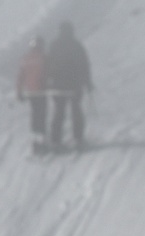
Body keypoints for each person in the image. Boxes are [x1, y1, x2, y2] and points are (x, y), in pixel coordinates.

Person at [45, 20, 92, 150]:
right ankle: (78, 138)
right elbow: (84, 65)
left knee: (59, 112)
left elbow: (47, 64)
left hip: (57, 85)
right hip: (74, 84)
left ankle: (55, 139)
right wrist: (88, 83)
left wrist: (47, 81)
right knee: (76, 110)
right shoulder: (76, 46)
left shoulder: (54, 45)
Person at [16, 36, 48, 152]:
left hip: (31, 92)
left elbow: (20, 77)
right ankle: (42, 140)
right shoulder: (43, 57)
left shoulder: (25, 59)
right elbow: (48, 72)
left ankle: (35, 140)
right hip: (42, 91)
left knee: (34, 115)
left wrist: (19, 92)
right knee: (42, 115)